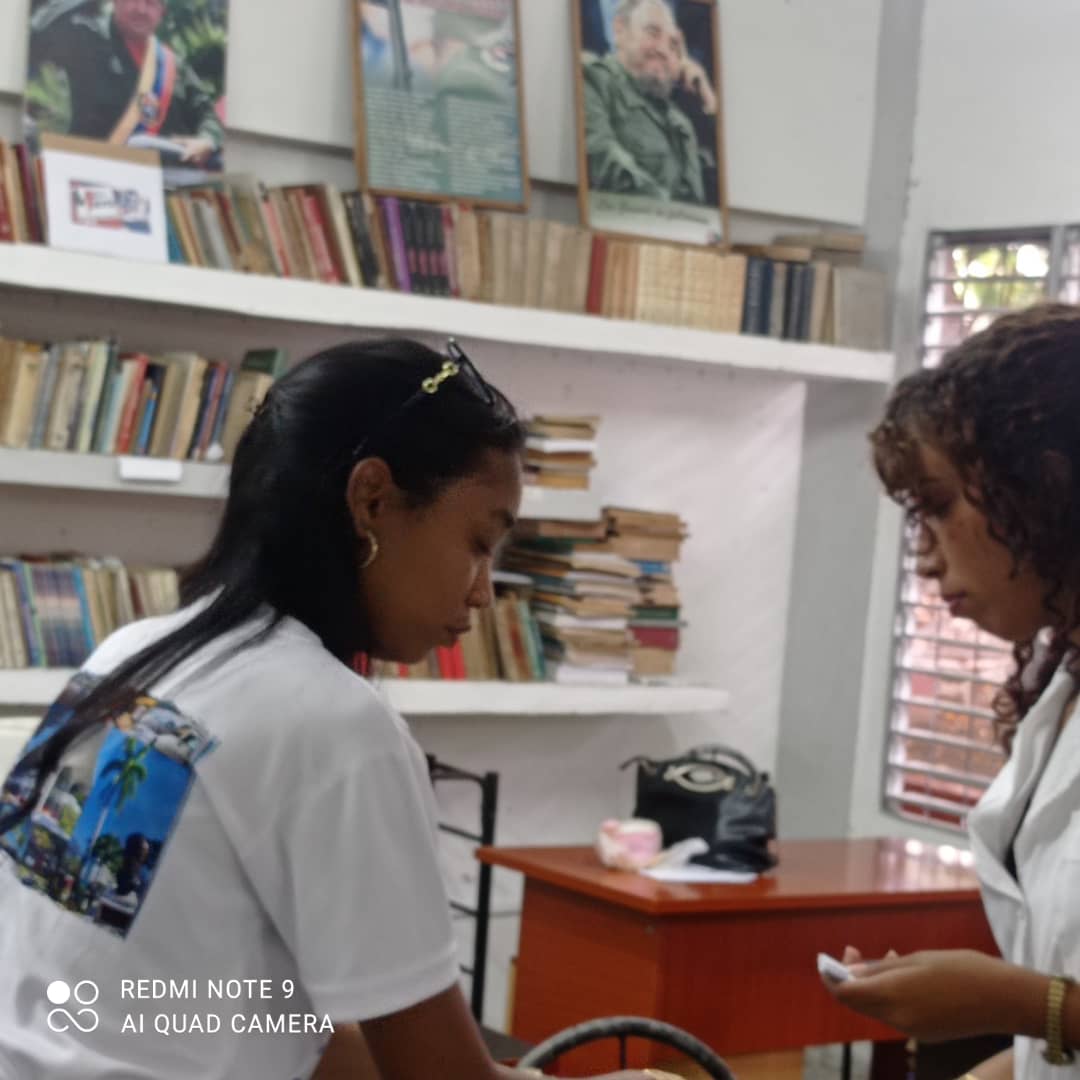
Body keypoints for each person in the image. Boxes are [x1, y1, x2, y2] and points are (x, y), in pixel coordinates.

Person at [0, 338, 651, 1080]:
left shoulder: (130, 656)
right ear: (371, 498)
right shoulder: (336, 725)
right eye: (478, 542)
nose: (482, 591)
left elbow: (244, 1033)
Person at [822, 305, 1080, 1079]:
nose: (925, 559)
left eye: (938, 507)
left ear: (1047, 484)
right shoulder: (1060, 687)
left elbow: (1051, 1015)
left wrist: (1026, 1005)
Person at [28, 0, 223, 167]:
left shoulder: (174, 65)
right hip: (92, 176)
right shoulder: (85, 38)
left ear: (161, 13)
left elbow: (208, 115)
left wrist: (208, 140)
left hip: (161, 185)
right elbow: (38, 31)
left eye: (150, 3)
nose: (141, 9)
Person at [582, 0, 707, 203]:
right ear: (619, 30)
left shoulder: (681, 123)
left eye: (672, 44)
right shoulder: (594, 80)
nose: (664, 50)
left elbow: (701, 202)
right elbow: (603, 160)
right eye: (653, 32)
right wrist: (670, 215)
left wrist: (709, 103)